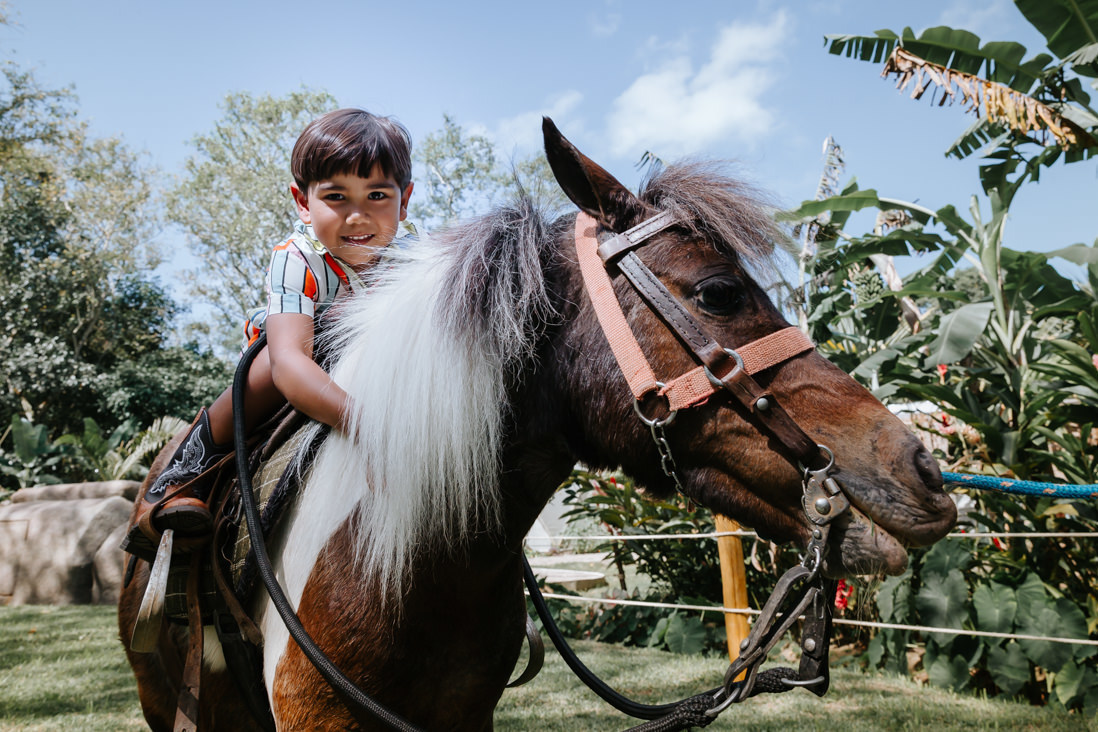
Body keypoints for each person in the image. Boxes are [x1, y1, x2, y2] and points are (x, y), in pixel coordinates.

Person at [122, 108, 415, 560]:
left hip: (377, 358)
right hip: (301, 352)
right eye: (336, 196)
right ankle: (186, 470)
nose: (358, 216)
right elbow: (291, 366)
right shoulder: (298, 258)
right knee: (263, 372)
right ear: (303, 202)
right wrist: (366, 424)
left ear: (405, 200)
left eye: (377, 194)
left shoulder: (414, 261)